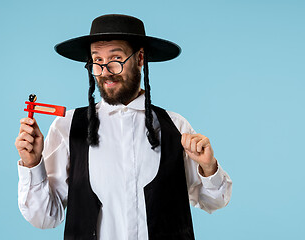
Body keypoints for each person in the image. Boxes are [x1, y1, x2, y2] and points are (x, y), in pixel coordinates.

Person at [15, 14, 232, 240]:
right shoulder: (68, 127)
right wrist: (32, 165)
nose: (106, 70)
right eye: (97, 60)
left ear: (139, 58)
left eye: (116, 58)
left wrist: (209, 168)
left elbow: (214, 202)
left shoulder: (175, 127)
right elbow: (45, 217)